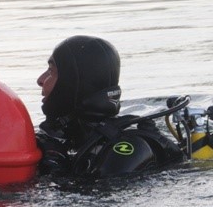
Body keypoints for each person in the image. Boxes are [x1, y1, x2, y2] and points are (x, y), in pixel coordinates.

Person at [34, 35, 187, 180]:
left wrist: (55, 169)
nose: (40, 80)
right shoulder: (73, 138)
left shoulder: (126, 151)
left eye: (51, 71)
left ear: (72, 83)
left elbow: (93, 203)